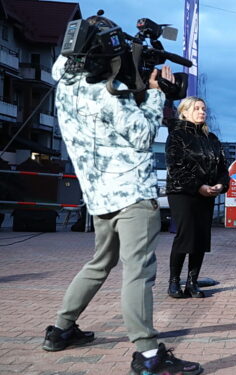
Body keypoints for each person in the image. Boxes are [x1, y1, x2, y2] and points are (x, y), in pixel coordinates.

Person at [44, 14, 202, 375]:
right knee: (138, 271)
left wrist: (134, 84)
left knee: (100, 263)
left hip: (99, 196)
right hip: (131, 193)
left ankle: (61, 330)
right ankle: (148, 355)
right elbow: (143, 134)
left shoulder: (65, 83)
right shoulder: (107, 95)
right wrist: (156, 93)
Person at [165, 96, 229, 299]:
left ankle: (192, 282)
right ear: (184, 112)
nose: (202, 112)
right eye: (197, 108)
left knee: (200, 238)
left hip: (207, 194)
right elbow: (176, 167)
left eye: (204, 109)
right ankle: (174, 281)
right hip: (183, 192)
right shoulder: (177, 136)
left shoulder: (211, 139)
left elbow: (222, 167)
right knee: (186, 235)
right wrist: (198, 186)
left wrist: (220, 184)